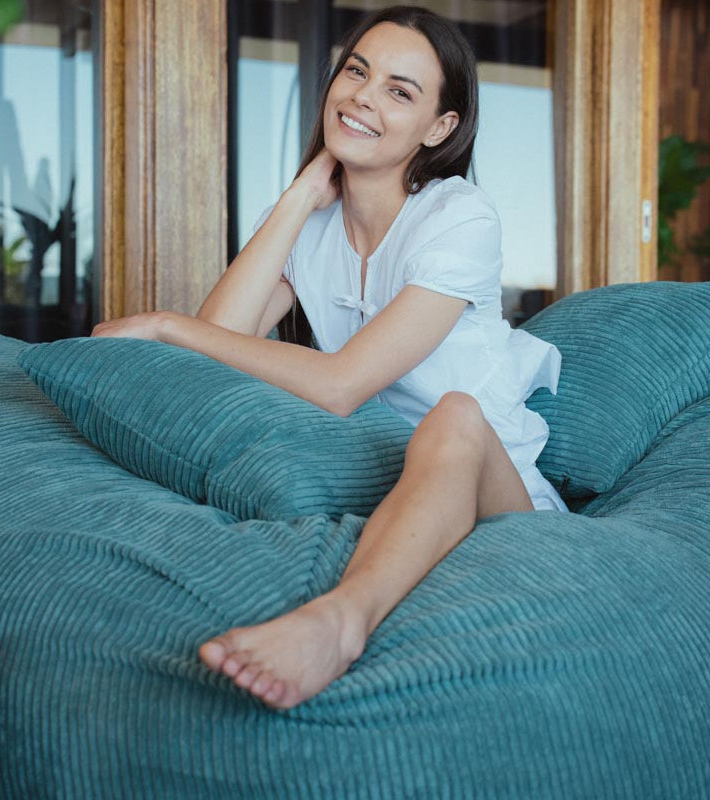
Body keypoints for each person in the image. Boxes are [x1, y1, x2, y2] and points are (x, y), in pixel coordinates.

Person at [91, 5, 568, 711]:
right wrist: (297, 198)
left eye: (400, 92)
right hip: (388, 476)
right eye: (356, 71)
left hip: (497, 493)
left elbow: (341, 386)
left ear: (439, 128)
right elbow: (209, 363)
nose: (363, 97)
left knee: (456, 418)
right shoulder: (310, 222)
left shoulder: (459, 218)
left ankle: (339, 624)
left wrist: (165, 324)